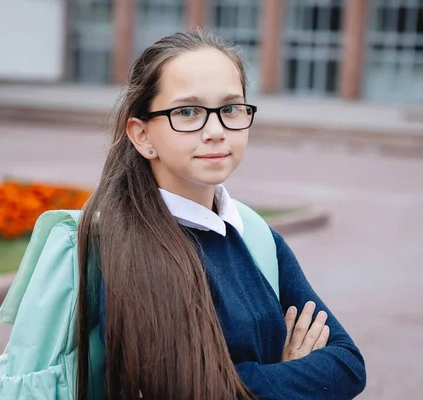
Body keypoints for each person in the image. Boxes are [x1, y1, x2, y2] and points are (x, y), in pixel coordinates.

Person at [75, 28, 366, 400]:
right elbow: (194, 391)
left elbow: (347, 363)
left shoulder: (255, 235)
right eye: (187, 111)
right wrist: (286, 371)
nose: (216, 131)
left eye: (230, 108)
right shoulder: (132, 249)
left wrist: (249, 379)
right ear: (142, 135)